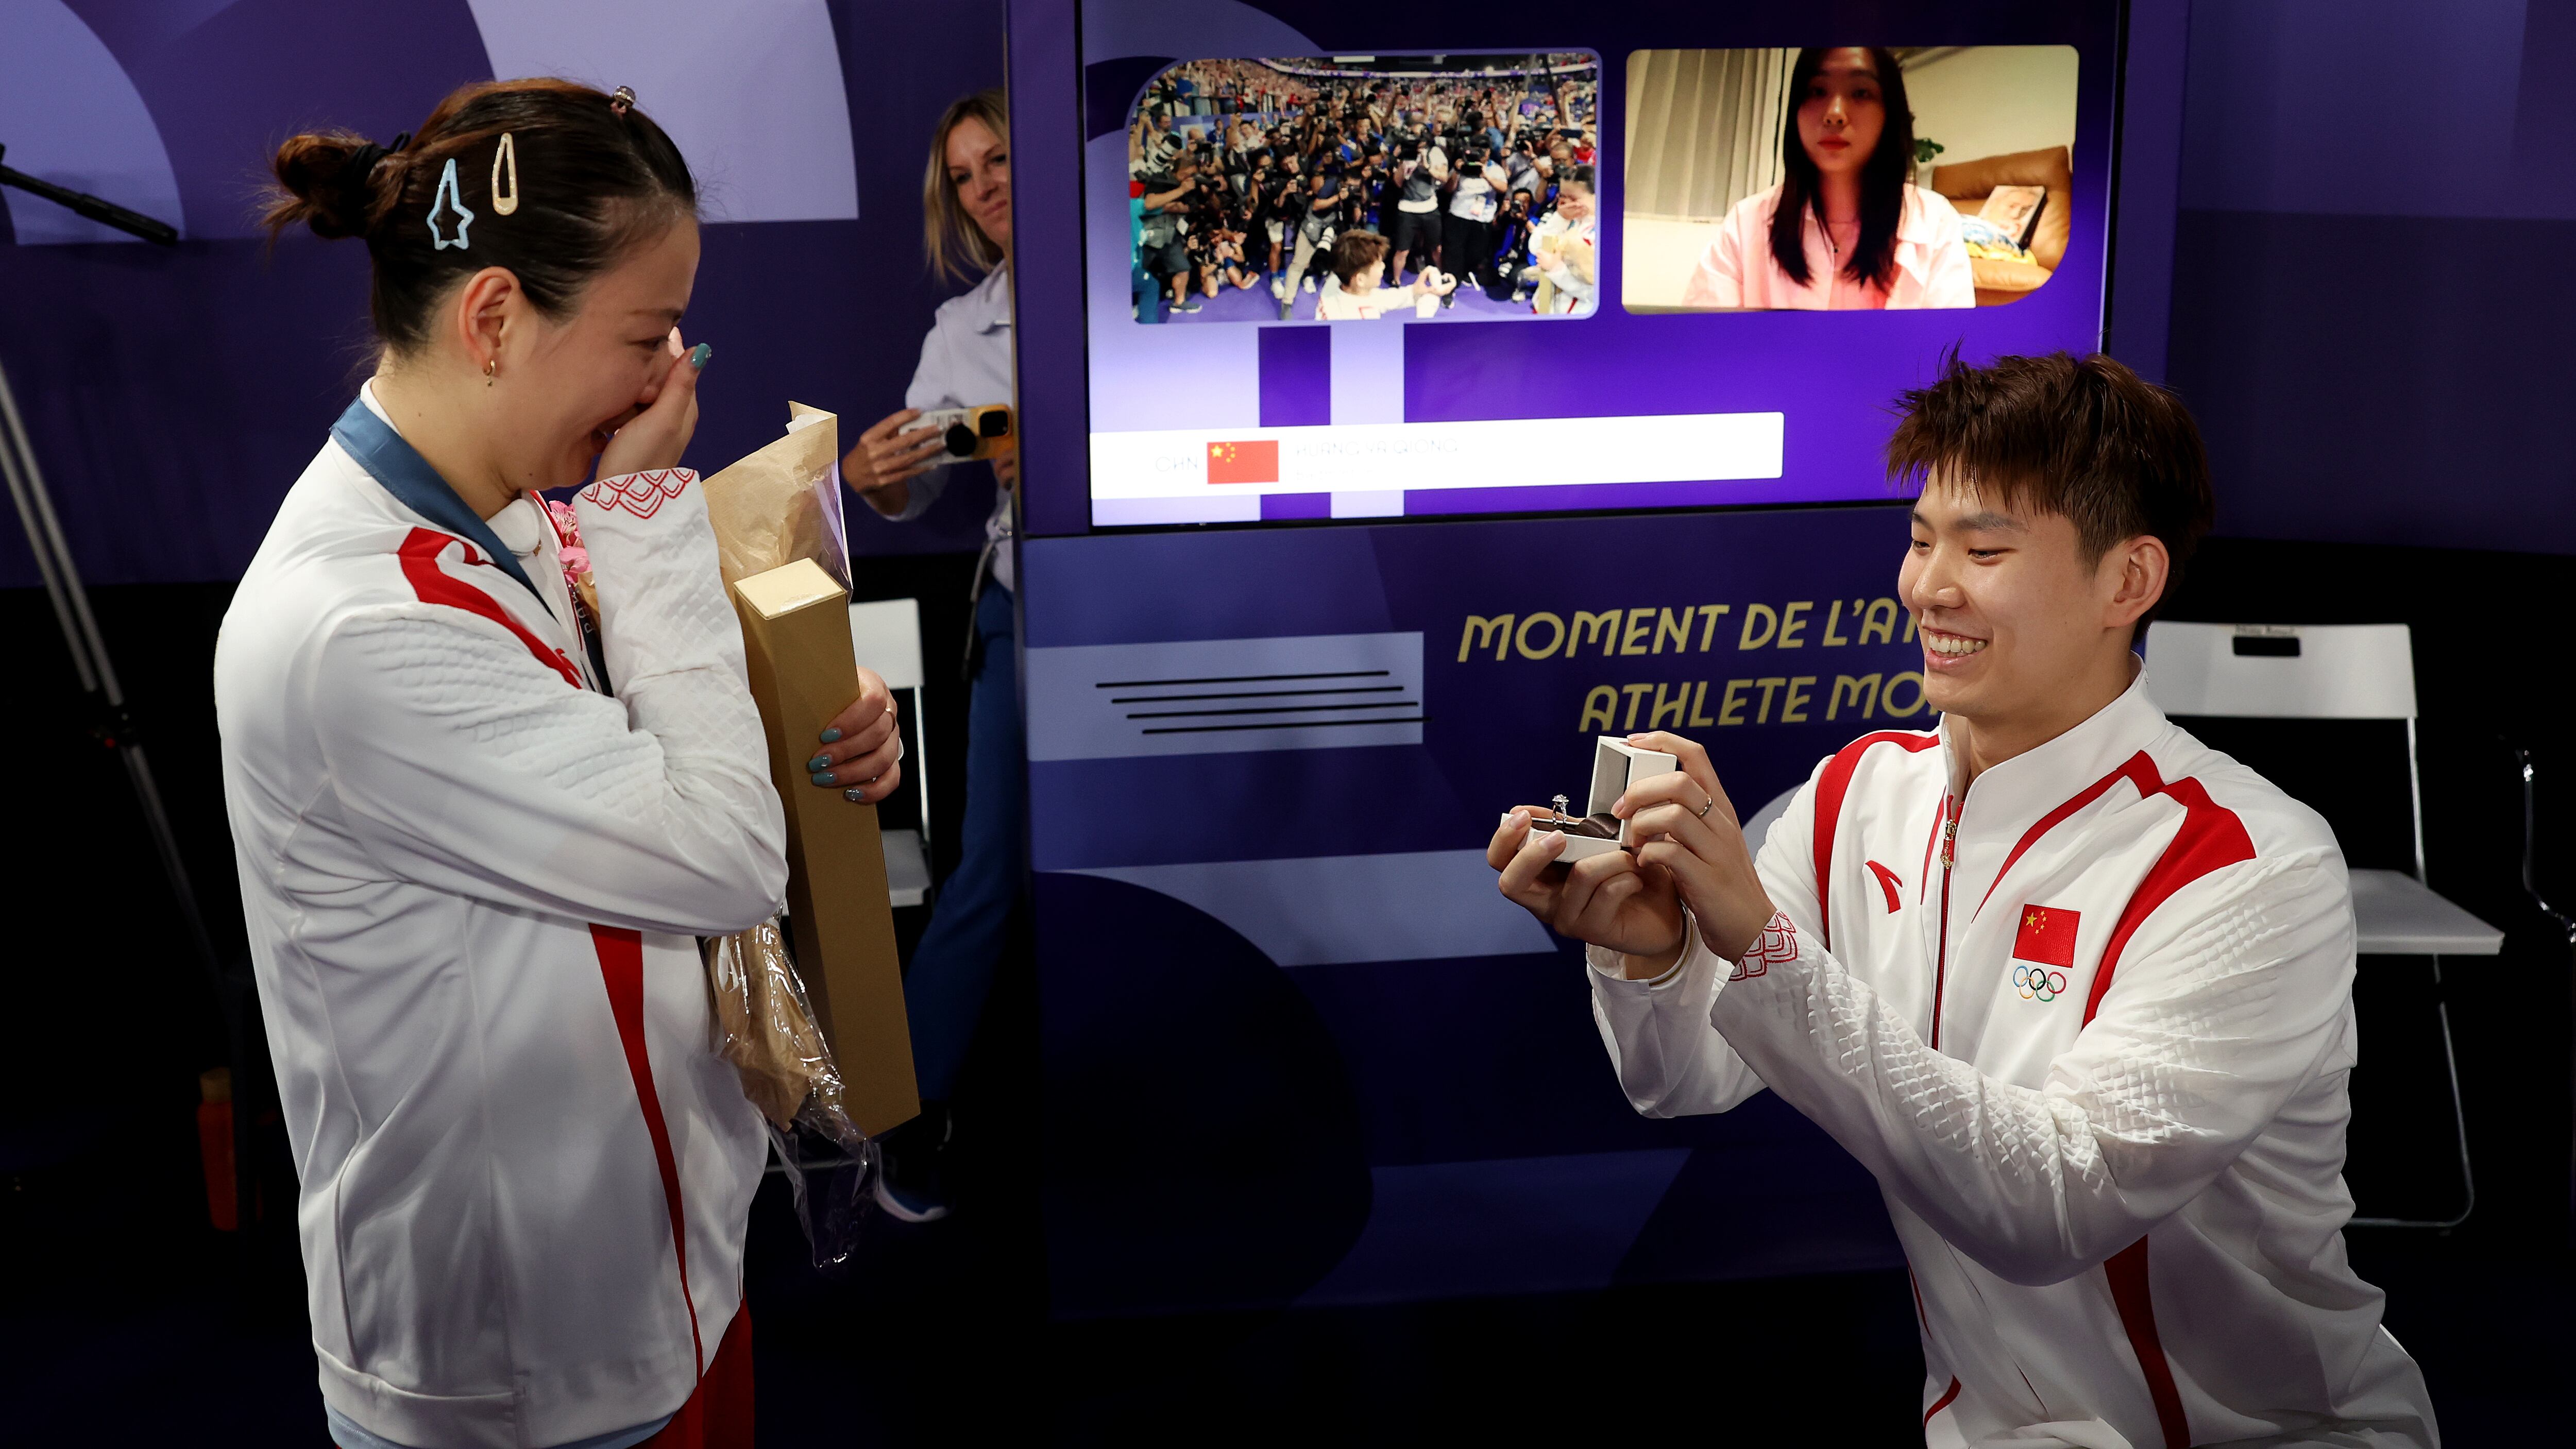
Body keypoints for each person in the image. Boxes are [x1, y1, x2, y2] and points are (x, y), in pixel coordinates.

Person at [1489, 352, 2437, 1446]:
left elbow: (2054, 1206)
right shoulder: (1858, 793)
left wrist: (1753, 938)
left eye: (1984, 547)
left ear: (2127, 581)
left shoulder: (2252, 868)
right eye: (1920, 536)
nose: (1928, 584)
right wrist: (1652, 954)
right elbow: (1684, 1078)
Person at [222, 78, 905, 1449]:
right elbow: (717, 854)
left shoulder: (503, 521)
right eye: (646, 337)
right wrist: (647, 507)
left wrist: (818, 724)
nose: (668, 384)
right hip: (517, 1365)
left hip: (667, 1267)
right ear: (491, 320)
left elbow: (642, 772)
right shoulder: (360, 623)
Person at [835, 88, 1026, 1221]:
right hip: (1024, 609)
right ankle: (901, 1116)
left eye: (997, 159)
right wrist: (877, 476)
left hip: (1167, 609)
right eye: (962, 175)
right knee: (984, 873)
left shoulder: (1139, 290)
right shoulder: (963, 332)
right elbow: (907, 482)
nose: (985, 186)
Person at [1683, 46, 1972, 310]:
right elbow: (1703, 346)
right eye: (1817, 91)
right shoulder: (1745, 223)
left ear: (1889, 112)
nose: (1835, 114)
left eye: (1860, 93)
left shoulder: (1934, 221)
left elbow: (1953, 356)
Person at [1312, 229, 1454, 319]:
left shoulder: (1336, 282)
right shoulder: (1362, 320)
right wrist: (1427, 311)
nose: (1384, 266)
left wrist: (1415, 291)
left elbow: (1378, 299)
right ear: (1360, 280)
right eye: (1379, 264)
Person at [1523, 165, 1598, 315]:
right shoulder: (1564, 218)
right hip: (1544, 306)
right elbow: (1535, 247)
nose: (1567, 203)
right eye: (1563, 196)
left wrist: (1556, 270)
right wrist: (1560, 219)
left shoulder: (1602, 233)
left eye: (1575, 198)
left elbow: (1594, 293)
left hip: (1575, 317)